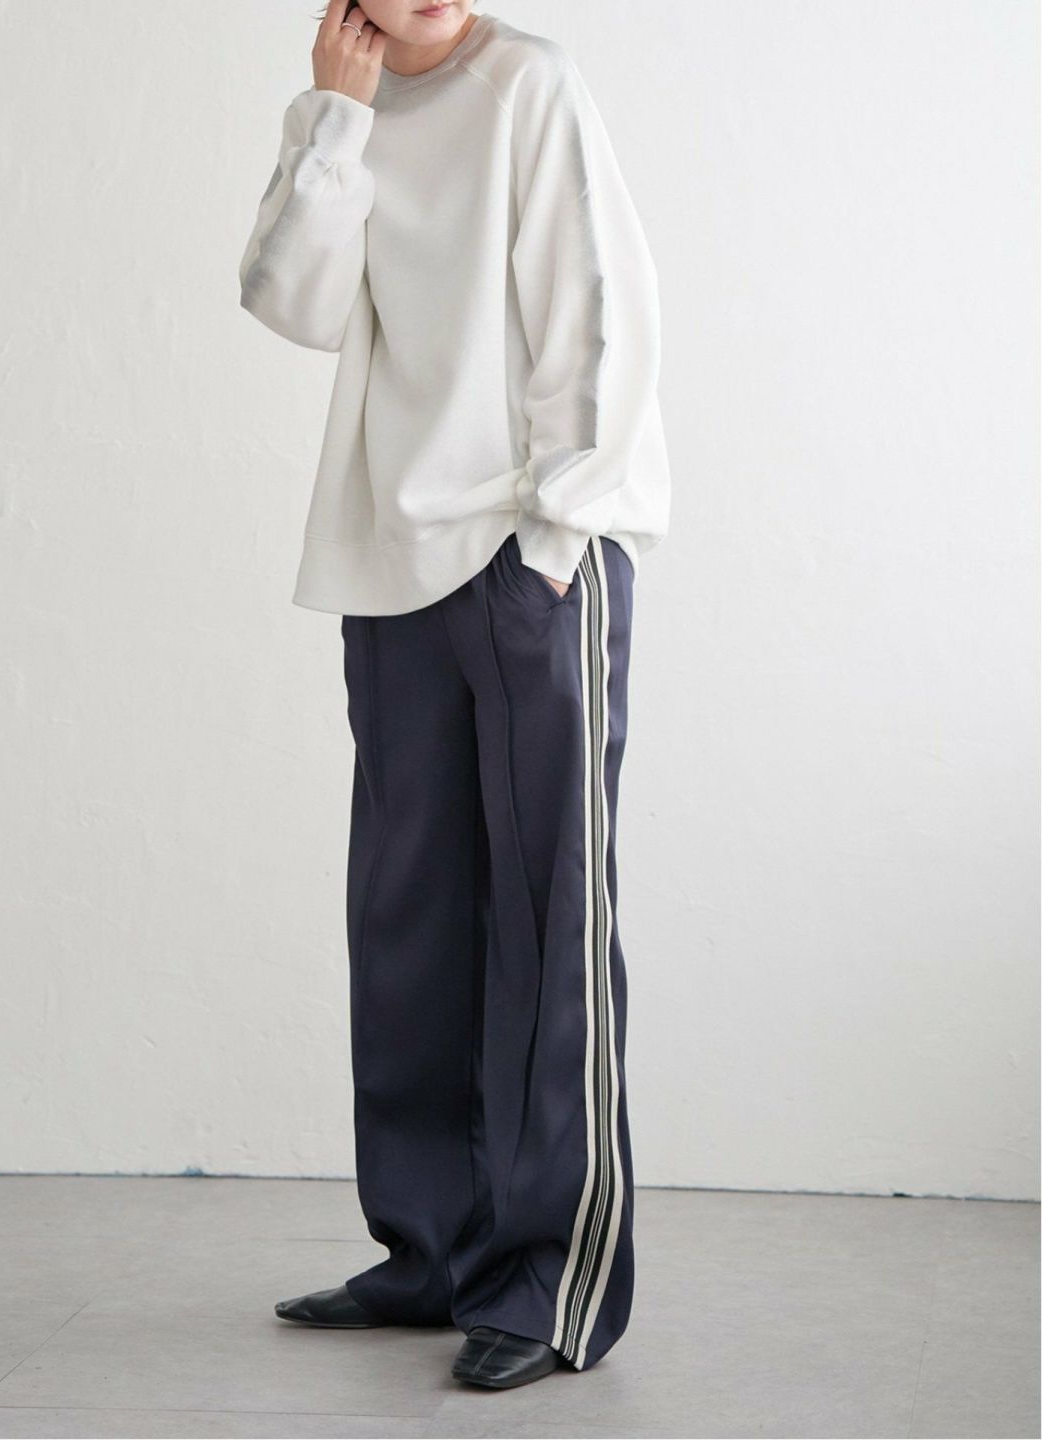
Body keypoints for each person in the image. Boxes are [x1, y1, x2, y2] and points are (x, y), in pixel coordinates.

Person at [237, 0, 670, 1390]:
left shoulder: (528, 83)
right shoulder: (352, 113)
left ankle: (548, 1284)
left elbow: (599, 307)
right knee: (410, 918)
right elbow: (293, 302)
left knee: (548, 918)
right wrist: (335, 118)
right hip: (394, 561)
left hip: (533, 552)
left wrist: (559, 526)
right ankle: (432, 1250)